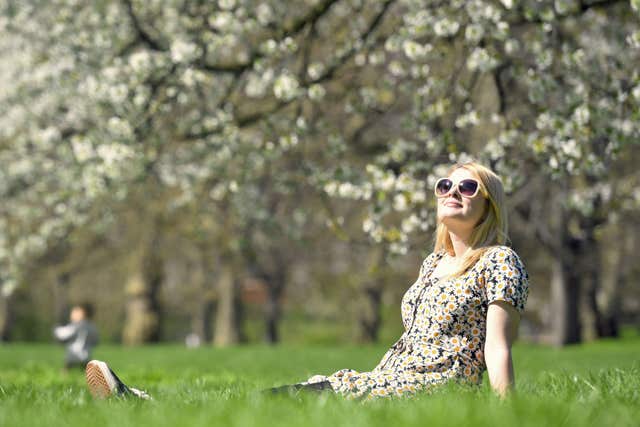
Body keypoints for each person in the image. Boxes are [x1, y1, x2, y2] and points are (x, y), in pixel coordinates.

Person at [85, 161, 529, 401]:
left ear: (489, 207)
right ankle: (148, 406)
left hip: (433, 386)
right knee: (294, 398)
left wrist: (504, 411)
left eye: (468, 189)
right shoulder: (432, 263)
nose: (453, 192)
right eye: (445, 184)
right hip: (390, 377)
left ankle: (143, 406)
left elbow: (497, 346)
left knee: (289, 401)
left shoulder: (499, 261)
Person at [53, 303, 100, 371]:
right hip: (86, 357)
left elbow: (63, 334)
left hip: (73, 357)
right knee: (85, 372)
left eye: (75, 312)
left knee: (66, 371)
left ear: (83, 314)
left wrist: (56, 330)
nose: (72, 314)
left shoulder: (76, 326)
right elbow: (96, 341)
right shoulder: (92, 326)